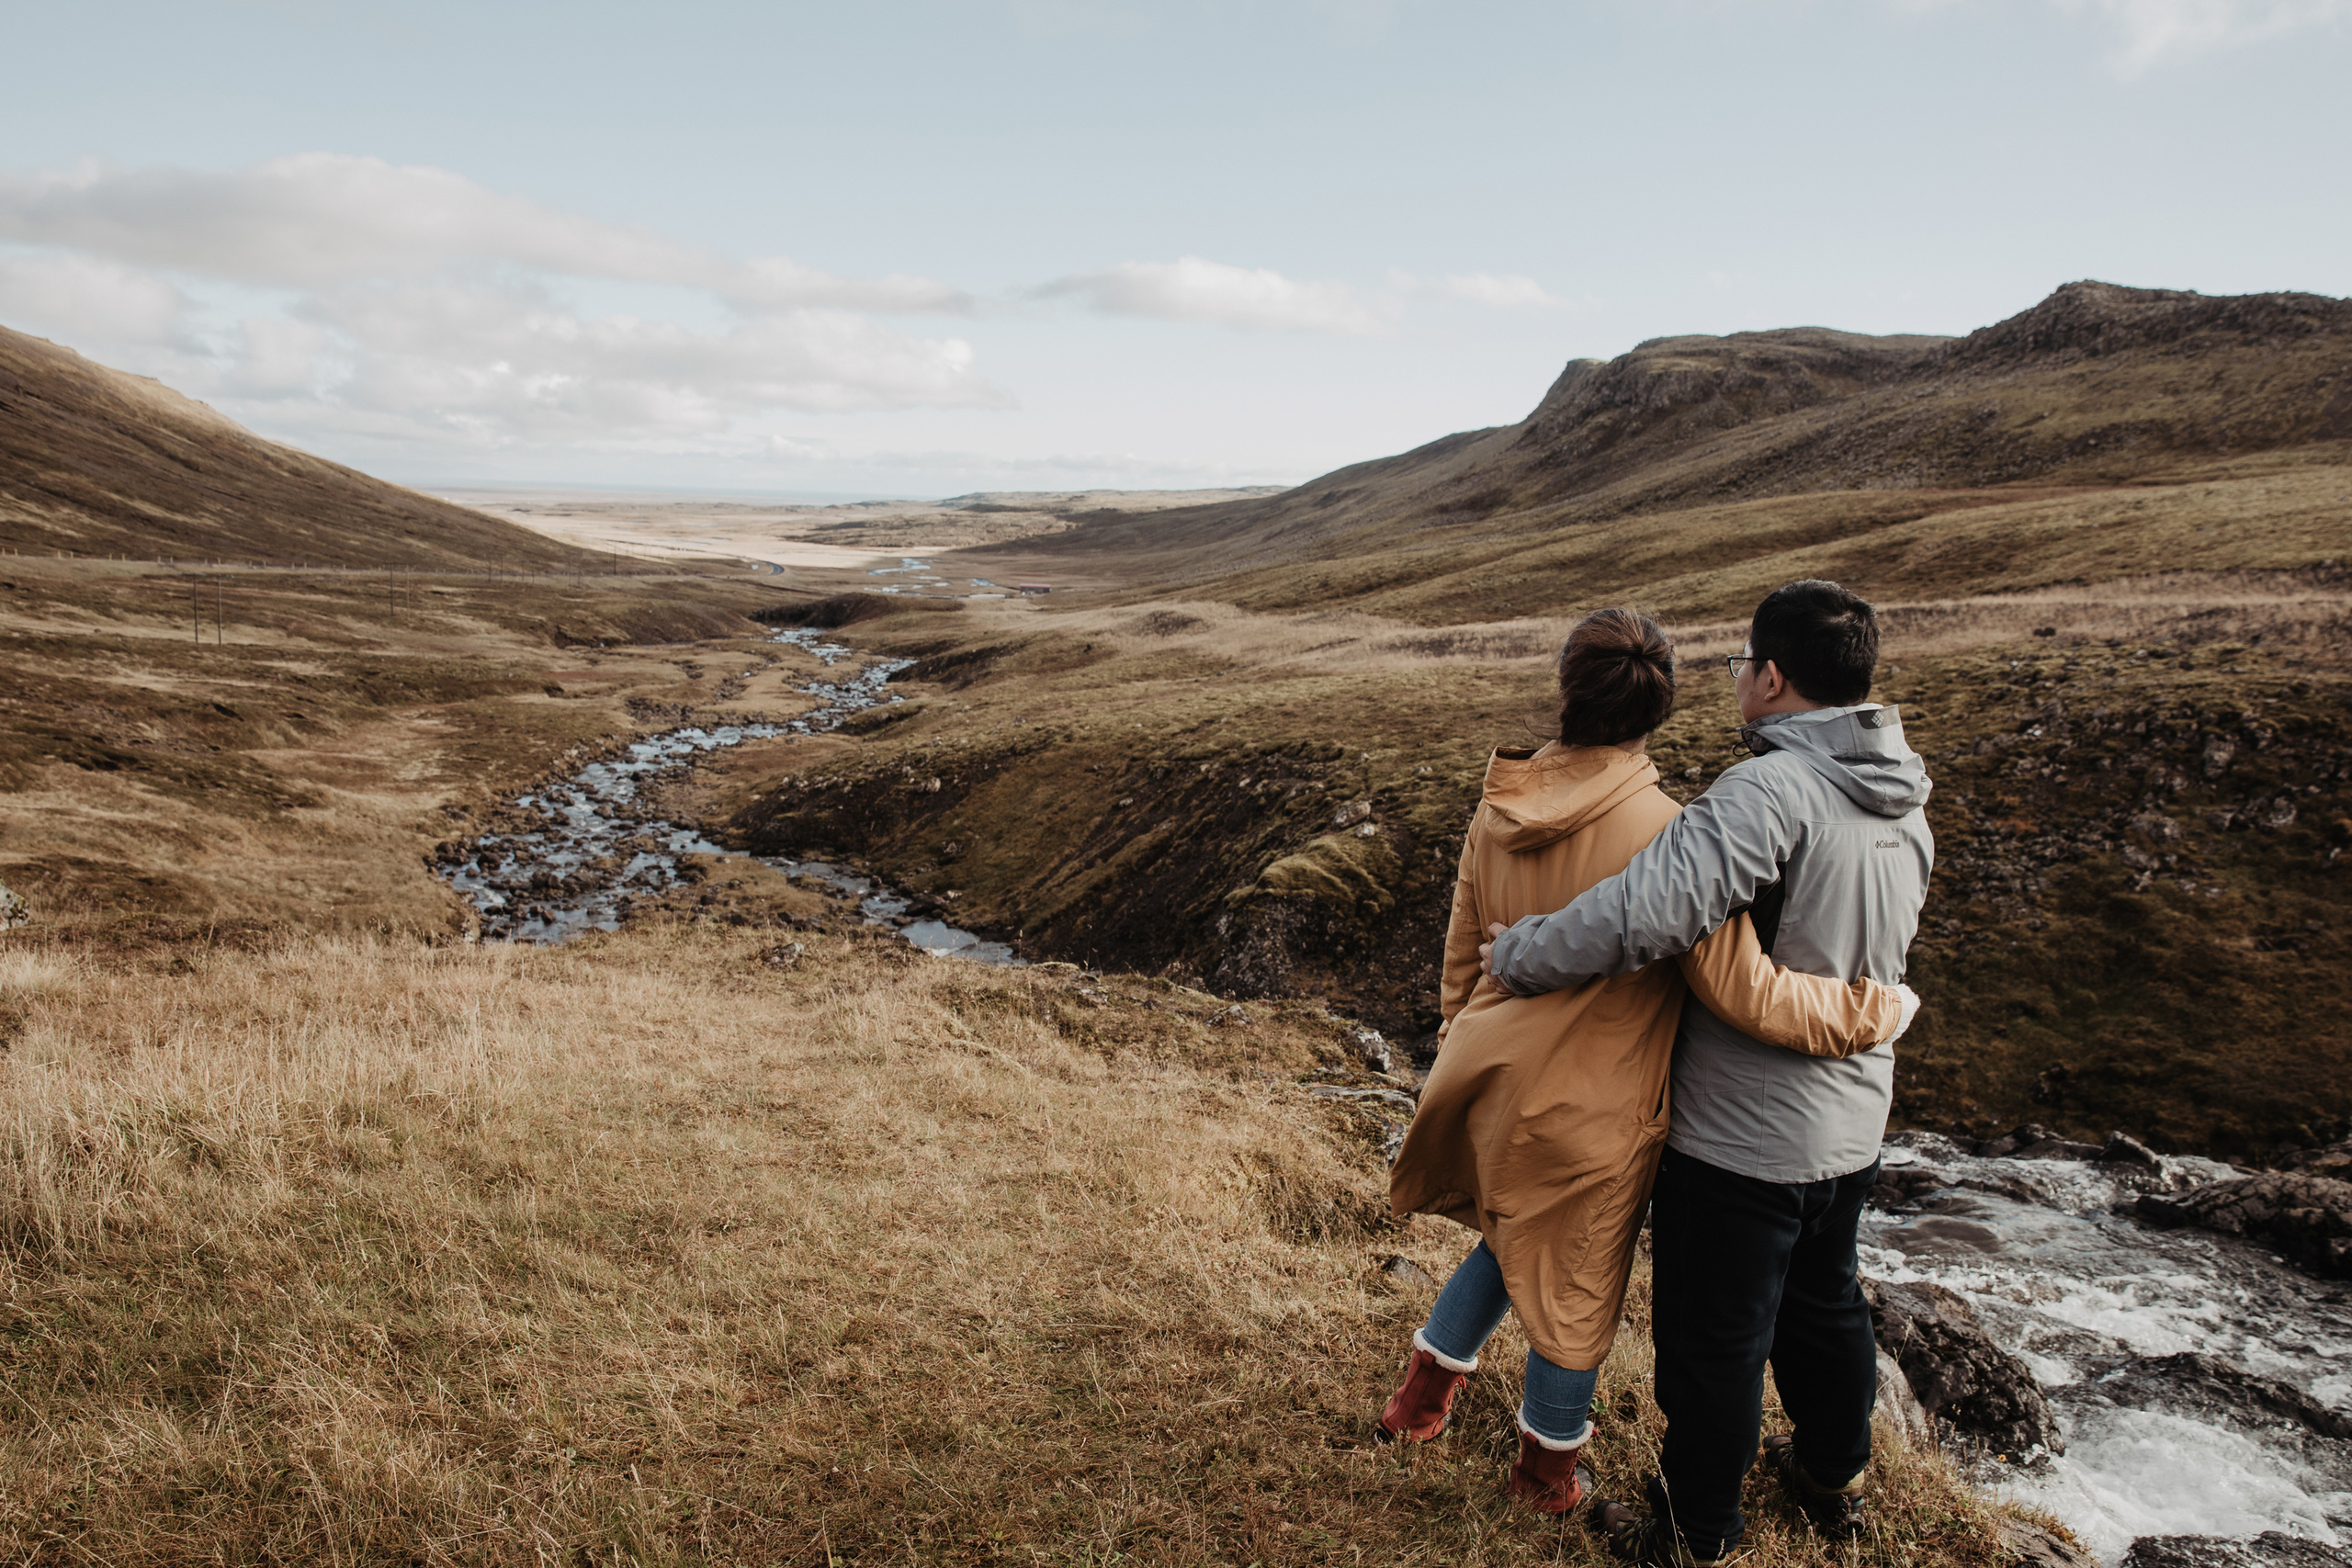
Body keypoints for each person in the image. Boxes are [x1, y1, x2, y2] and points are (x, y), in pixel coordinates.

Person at [1379, 607, 1917, 1518]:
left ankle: (1419, 1399)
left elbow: (1463, 950)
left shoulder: (1497, 800)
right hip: (1599, 1104)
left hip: (1491, 1069)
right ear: (1657, 705)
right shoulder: (1671, 827)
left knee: (1512, 1236)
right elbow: (1739, 988)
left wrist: (1462, 1044)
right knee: (1577, 1283)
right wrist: (1879, 1006)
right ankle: (1547, 1475)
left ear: (1567, 690)